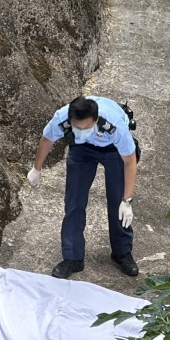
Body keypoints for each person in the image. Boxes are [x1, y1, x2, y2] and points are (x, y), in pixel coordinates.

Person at [27, 95, 139, 278]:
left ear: (95, 120)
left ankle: (122, 252)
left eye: (86, 127)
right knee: (74, 202)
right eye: (77, 127)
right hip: (81, 150)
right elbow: (46, 140)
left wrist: (127, 200)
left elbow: (129, 161)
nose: (81, 130)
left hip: (113, 150)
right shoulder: (62, 118)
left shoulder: (114, 124)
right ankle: (73, 258)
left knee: (117, 203)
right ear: (70, 120)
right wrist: (36, 169)